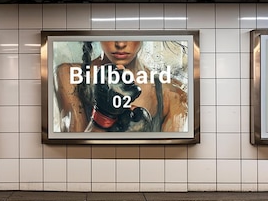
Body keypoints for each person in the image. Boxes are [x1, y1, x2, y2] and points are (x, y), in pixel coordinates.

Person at [54, 41, 188, 133]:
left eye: (130, 33)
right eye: (110, 33)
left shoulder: (173, 94)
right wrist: (103, 118)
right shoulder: (71, 75)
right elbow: (73, 153)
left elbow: (171, 158)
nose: (120, 44)